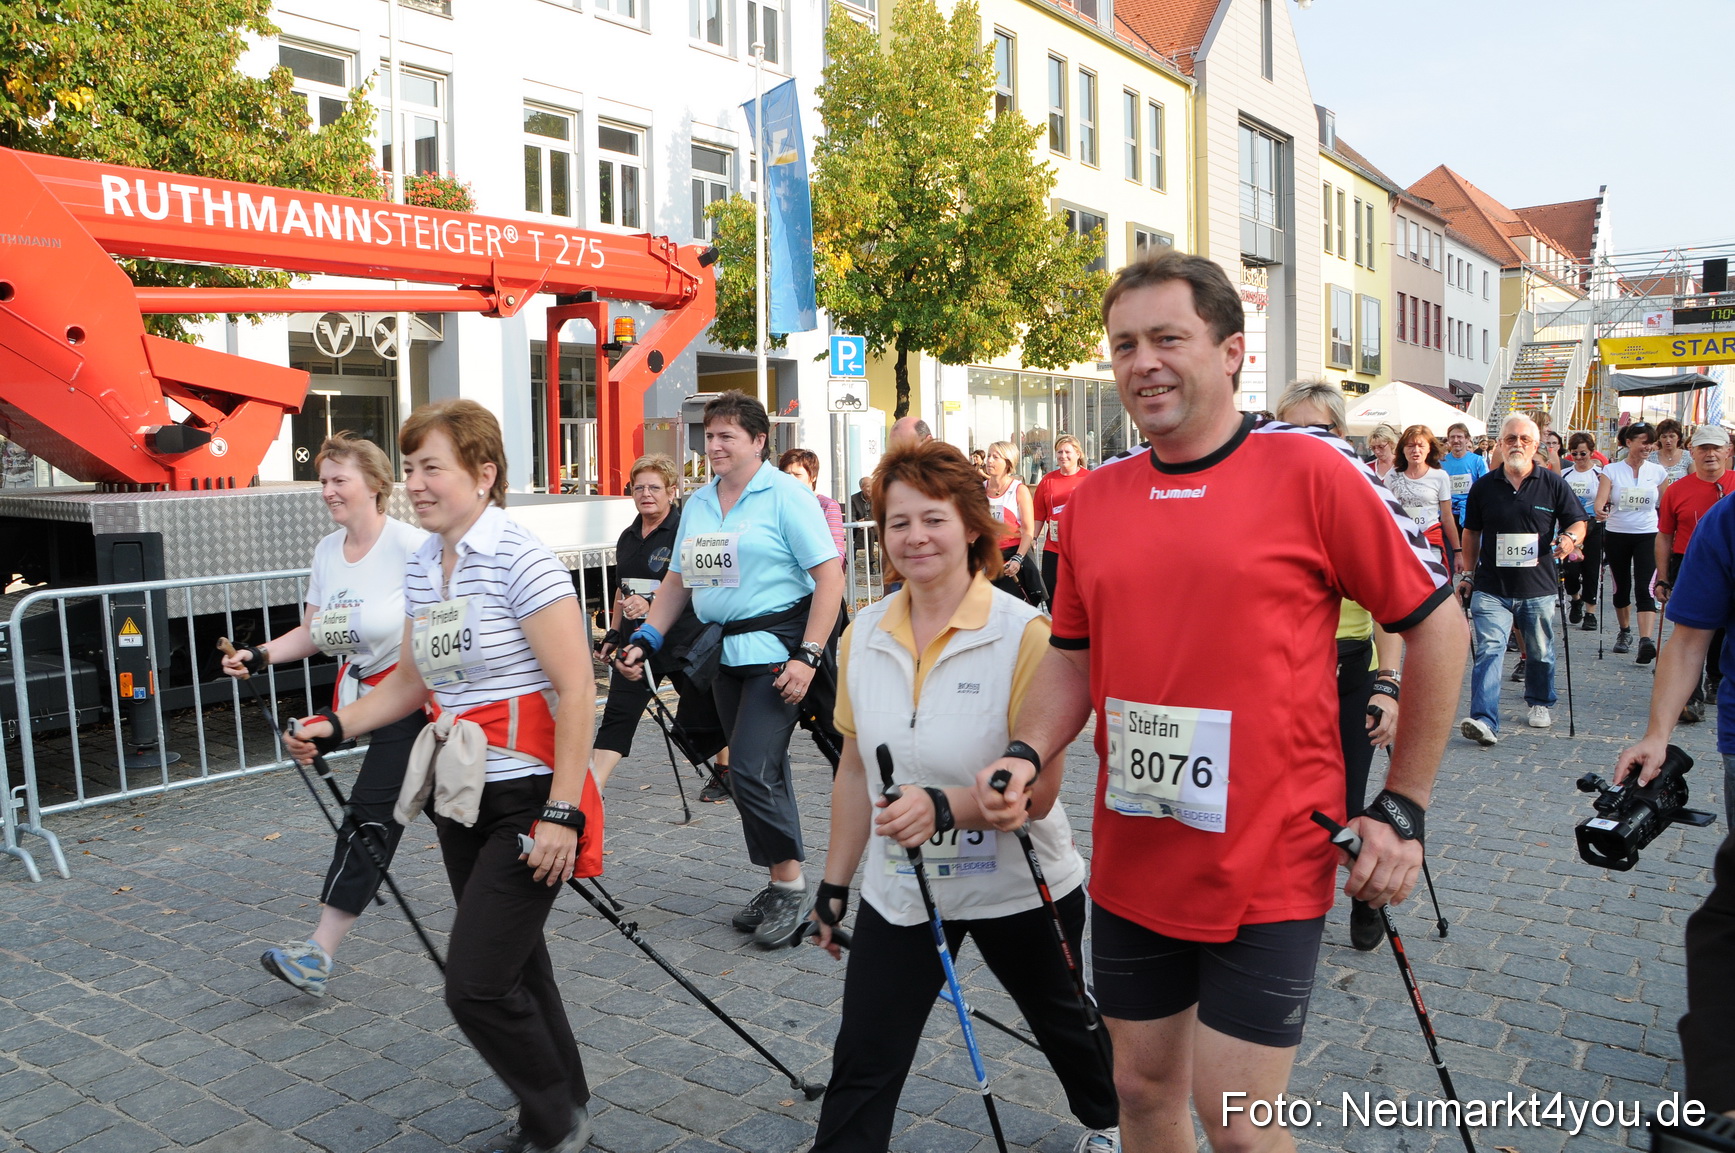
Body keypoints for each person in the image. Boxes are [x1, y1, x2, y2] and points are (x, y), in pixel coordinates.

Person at [973, 250, 1467, 1153]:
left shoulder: (1310, 472)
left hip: (1271, 855)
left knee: (1236, 1121)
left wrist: (1404, 802)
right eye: (1124, 344)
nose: (1142, 362)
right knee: (1141, 1088)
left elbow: (1437, 627)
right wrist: (1027, 749)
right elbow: (1072, 658)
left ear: (1232, 351)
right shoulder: (1095, 499)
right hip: (1135, 851)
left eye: (1168, 338)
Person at [286, 399, 598, 1153]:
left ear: (483, 473)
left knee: (475, 982)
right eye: (413, 467)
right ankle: (564, 1099)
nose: (416, 483)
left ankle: (554, 1120)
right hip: (459, 791)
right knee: (517, 961)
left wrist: (562, 812)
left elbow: (579, 690)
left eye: (432, 467)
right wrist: (336, 726)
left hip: (526, 793)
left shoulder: (521, 558)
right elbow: (408, 684)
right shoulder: (426, 563)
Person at [807, 439, 1119, 1153]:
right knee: (863, 1056)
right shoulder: (863, 634)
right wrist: (832, 883)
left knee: (1068, 1027)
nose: (914, 536)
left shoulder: (1024, 634)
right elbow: (855, 769)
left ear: (973, 526)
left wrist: (944, 805)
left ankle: (1113, 1121)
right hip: (905, 888)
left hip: (1018, 884)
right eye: (896, 521)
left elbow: (1038, 793)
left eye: (933, 518)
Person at [617, 390, 844, 948]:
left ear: (758, 441)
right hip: (724, 657)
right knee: (762, 773)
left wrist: (810, 656)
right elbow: (679, 582)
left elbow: (831, 577)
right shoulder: (699, 503)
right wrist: (647, 637)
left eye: (726, 436)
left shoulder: (786, 495)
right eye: (708, 435)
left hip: (777, 653)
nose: (713, 445)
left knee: (746, 767)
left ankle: (791, 889)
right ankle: (780, 880)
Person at [227, 433, 428, 996]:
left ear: (375, 485)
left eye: (339, 480)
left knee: (369, 814)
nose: (328, 491)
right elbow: (314, 633)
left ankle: (318, 952)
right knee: (444, 810)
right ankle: (510, 849)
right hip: (356, 695)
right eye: (324, 481)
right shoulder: (326, 551)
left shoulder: (411, 546)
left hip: (411, 699)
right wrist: (260, 654)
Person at [1274, 380, 1402, 953]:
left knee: (1349, 799)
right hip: (1279, 677)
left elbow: (1391, 610)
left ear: (1340, 437)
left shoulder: (1360, 499)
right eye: (1292, 430)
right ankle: (1280, 911)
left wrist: (1389, 685)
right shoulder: (1264, 502)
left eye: (1319, 431)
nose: (1306, 443)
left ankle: (1365, 895)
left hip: (1350, 671)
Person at [590, 454, 728, 795]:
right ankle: (589, 793)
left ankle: (727, 770)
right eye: (639, 487)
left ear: (672, 490)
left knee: (707, 712)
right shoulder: (627, 536)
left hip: (683, 640)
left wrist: (652, 603)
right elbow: (622, 589)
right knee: (617, 717)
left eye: (654, 487)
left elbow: (699, 583)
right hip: (638, 645)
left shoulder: (687, 531)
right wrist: (612, 631)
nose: (646, 494)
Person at [1455, 414, 1587, 743]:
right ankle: (1484, 719)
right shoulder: (1484, 486)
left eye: (1524, 440)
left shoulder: (1552, 483)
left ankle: (1540, 701)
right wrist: (1468, 574)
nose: (1517, 444)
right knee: (1489, 650)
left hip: (1538, 587)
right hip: (1491, 587)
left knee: (1541, 650)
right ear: (1499, 444)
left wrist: (1570, 538)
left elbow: (1578, 521)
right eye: (1510, 439)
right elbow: (1471, 532)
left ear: (1536, 446)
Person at [1654, 424, 1735, 722]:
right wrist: (1662, 576)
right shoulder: (1677, 490)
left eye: (1716, 447)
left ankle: (1717, 678)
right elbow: (1664, 535)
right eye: (1703, 448)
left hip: (1729, 563)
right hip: (1687, 562)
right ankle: (1692, 696)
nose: (1710, 454)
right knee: (1691, 631)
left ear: (1728, 451)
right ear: (1693, 452)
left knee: (1724, 631)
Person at [1595, 420, 1666, 663]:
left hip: (1648, 534)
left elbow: (1666, 505)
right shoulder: (1612, 470)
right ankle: (1625, 632)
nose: (1648, 447)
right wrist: (1599, 511)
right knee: (1621, 585)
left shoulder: (1657, 472)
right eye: (1644, 442)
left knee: (1645, 586)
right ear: (1629, 443)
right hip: (1617, 534)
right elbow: (1600, 500)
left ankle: (1645, 640)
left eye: (1651, 443)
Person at [1385, 425, 1461, 565]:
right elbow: (1385, 512)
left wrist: (1457, 551)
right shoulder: (1392, 476)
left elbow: (1447, 516)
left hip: (1430, 543)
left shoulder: (1440, 476)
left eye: (1421, 445)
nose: (1416, 450)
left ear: (1429, 448)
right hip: (1401, 543)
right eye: (1410, 446)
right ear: (1402, 449)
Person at [1032, 433, 1091, 610]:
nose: (1063, 456)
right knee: (1052, 595)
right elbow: (1038, 514)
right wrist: (1032, 539)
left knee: (1080, 595)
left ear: (1078, 454)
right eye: (1059, 452)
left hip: (1081, 548)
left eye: (1067, 452)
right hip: (1053, 547)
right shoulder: (1048, 480)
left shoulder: (1089, 479)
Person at [983, 439, 1045, 606]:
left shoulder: (1018, 489)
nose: (989, 460)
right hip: (988, 557)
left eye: (996, 457)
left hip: (1013, 558)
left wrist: (1018, 559)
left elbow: (1028, 531)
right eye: (988, 456)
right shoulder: (979, 490)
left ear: (1008, 462)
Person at [1561, 432, 1605, 632]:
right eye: (1575, 454)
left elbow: (1607, 498)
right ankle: (1575, 598)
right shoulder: (1565, 475)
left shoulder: (1600, 474)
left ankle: (1590, 612)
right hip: (1570, 525)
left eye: (1583, 454)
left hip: (1594, 525)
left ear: (1591, 453)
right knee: (1570, 570)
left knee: (1591, 568)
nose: (1579, 458)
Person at [780, 447, 849, 562]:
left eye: (797, 475)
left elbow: (837, 551)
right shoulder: (777, 504)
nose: (790, 479)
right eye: (787, 474)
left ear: (813, 477)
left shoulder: (827, 506)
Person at [1440, 422, 1487, 533]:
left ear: (1467, 439)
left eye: (1459, 437)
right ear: (1448, 439)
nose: (1456, 440)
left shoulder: (1478, 461)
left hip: (1471, 512)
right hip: (1448, 513)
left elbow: (1485, 487)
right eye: (1452, 437)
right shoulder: (1441, 463)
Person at [1655, 418, 1690, 485]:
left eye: (1672, 436)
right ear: (1659, 438)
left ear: (1678, 437)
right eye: (1664, 437)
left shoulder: (1688, 456)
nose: (1668, 440)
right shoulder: (1650, 458)